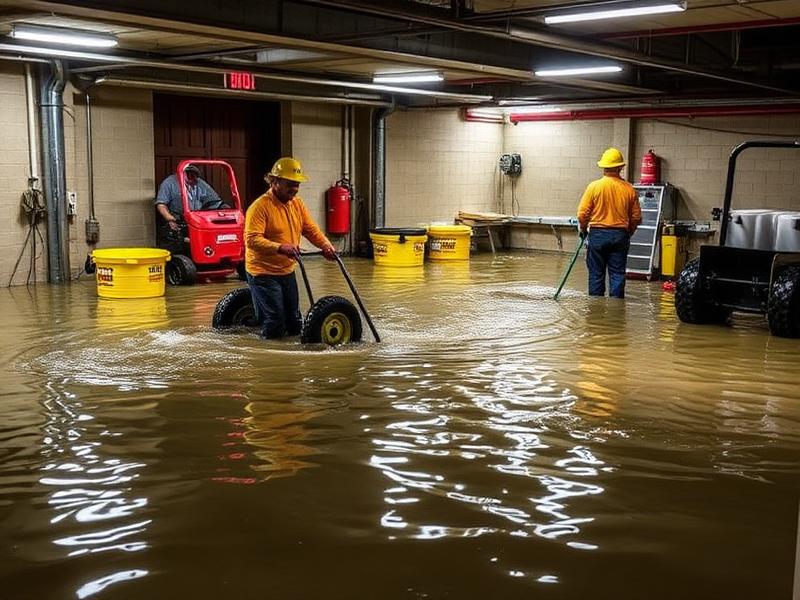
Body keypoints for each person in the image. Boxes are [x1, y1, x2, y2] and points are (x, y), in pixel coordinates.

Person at [244, 157, 336, 339]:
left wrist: (325, 245)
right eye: (290, 184)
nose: (294, 189)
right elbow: (252, 240)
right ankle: (266, 353)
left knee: (295, 321)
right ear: (274, 181)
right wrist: (280, 248)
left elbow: (310, 230)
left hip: (286, 270)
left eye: (297, 184)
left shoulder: (297, 204)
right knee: (275, 321)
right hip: (262, 272)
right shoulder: (259, 207)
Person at [577, 147, 642, 298]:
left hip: (597, 235)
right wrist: (628, 232)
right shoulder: (629, 189)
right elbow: (636, 217)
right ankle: (616, 309)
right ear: (620, 167)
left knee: (596, 274)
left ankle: (596, 308)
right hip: (620, 235)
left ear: (603, 167)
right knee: (617, 274)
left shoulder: (594, 187)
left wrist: (583, 229)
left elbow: (582, 214)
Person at [155, 164, 226, 231]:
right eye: (188, 173)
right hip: (177, 220)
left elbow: (214, 200)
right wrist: (170, 219)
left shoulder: (199, 182)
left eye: (194, 174)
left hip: (197, 220)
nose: (192, 176)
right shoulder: (169, 183)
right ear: (182, 173)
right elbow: (161, 205)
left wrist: (224, 208)